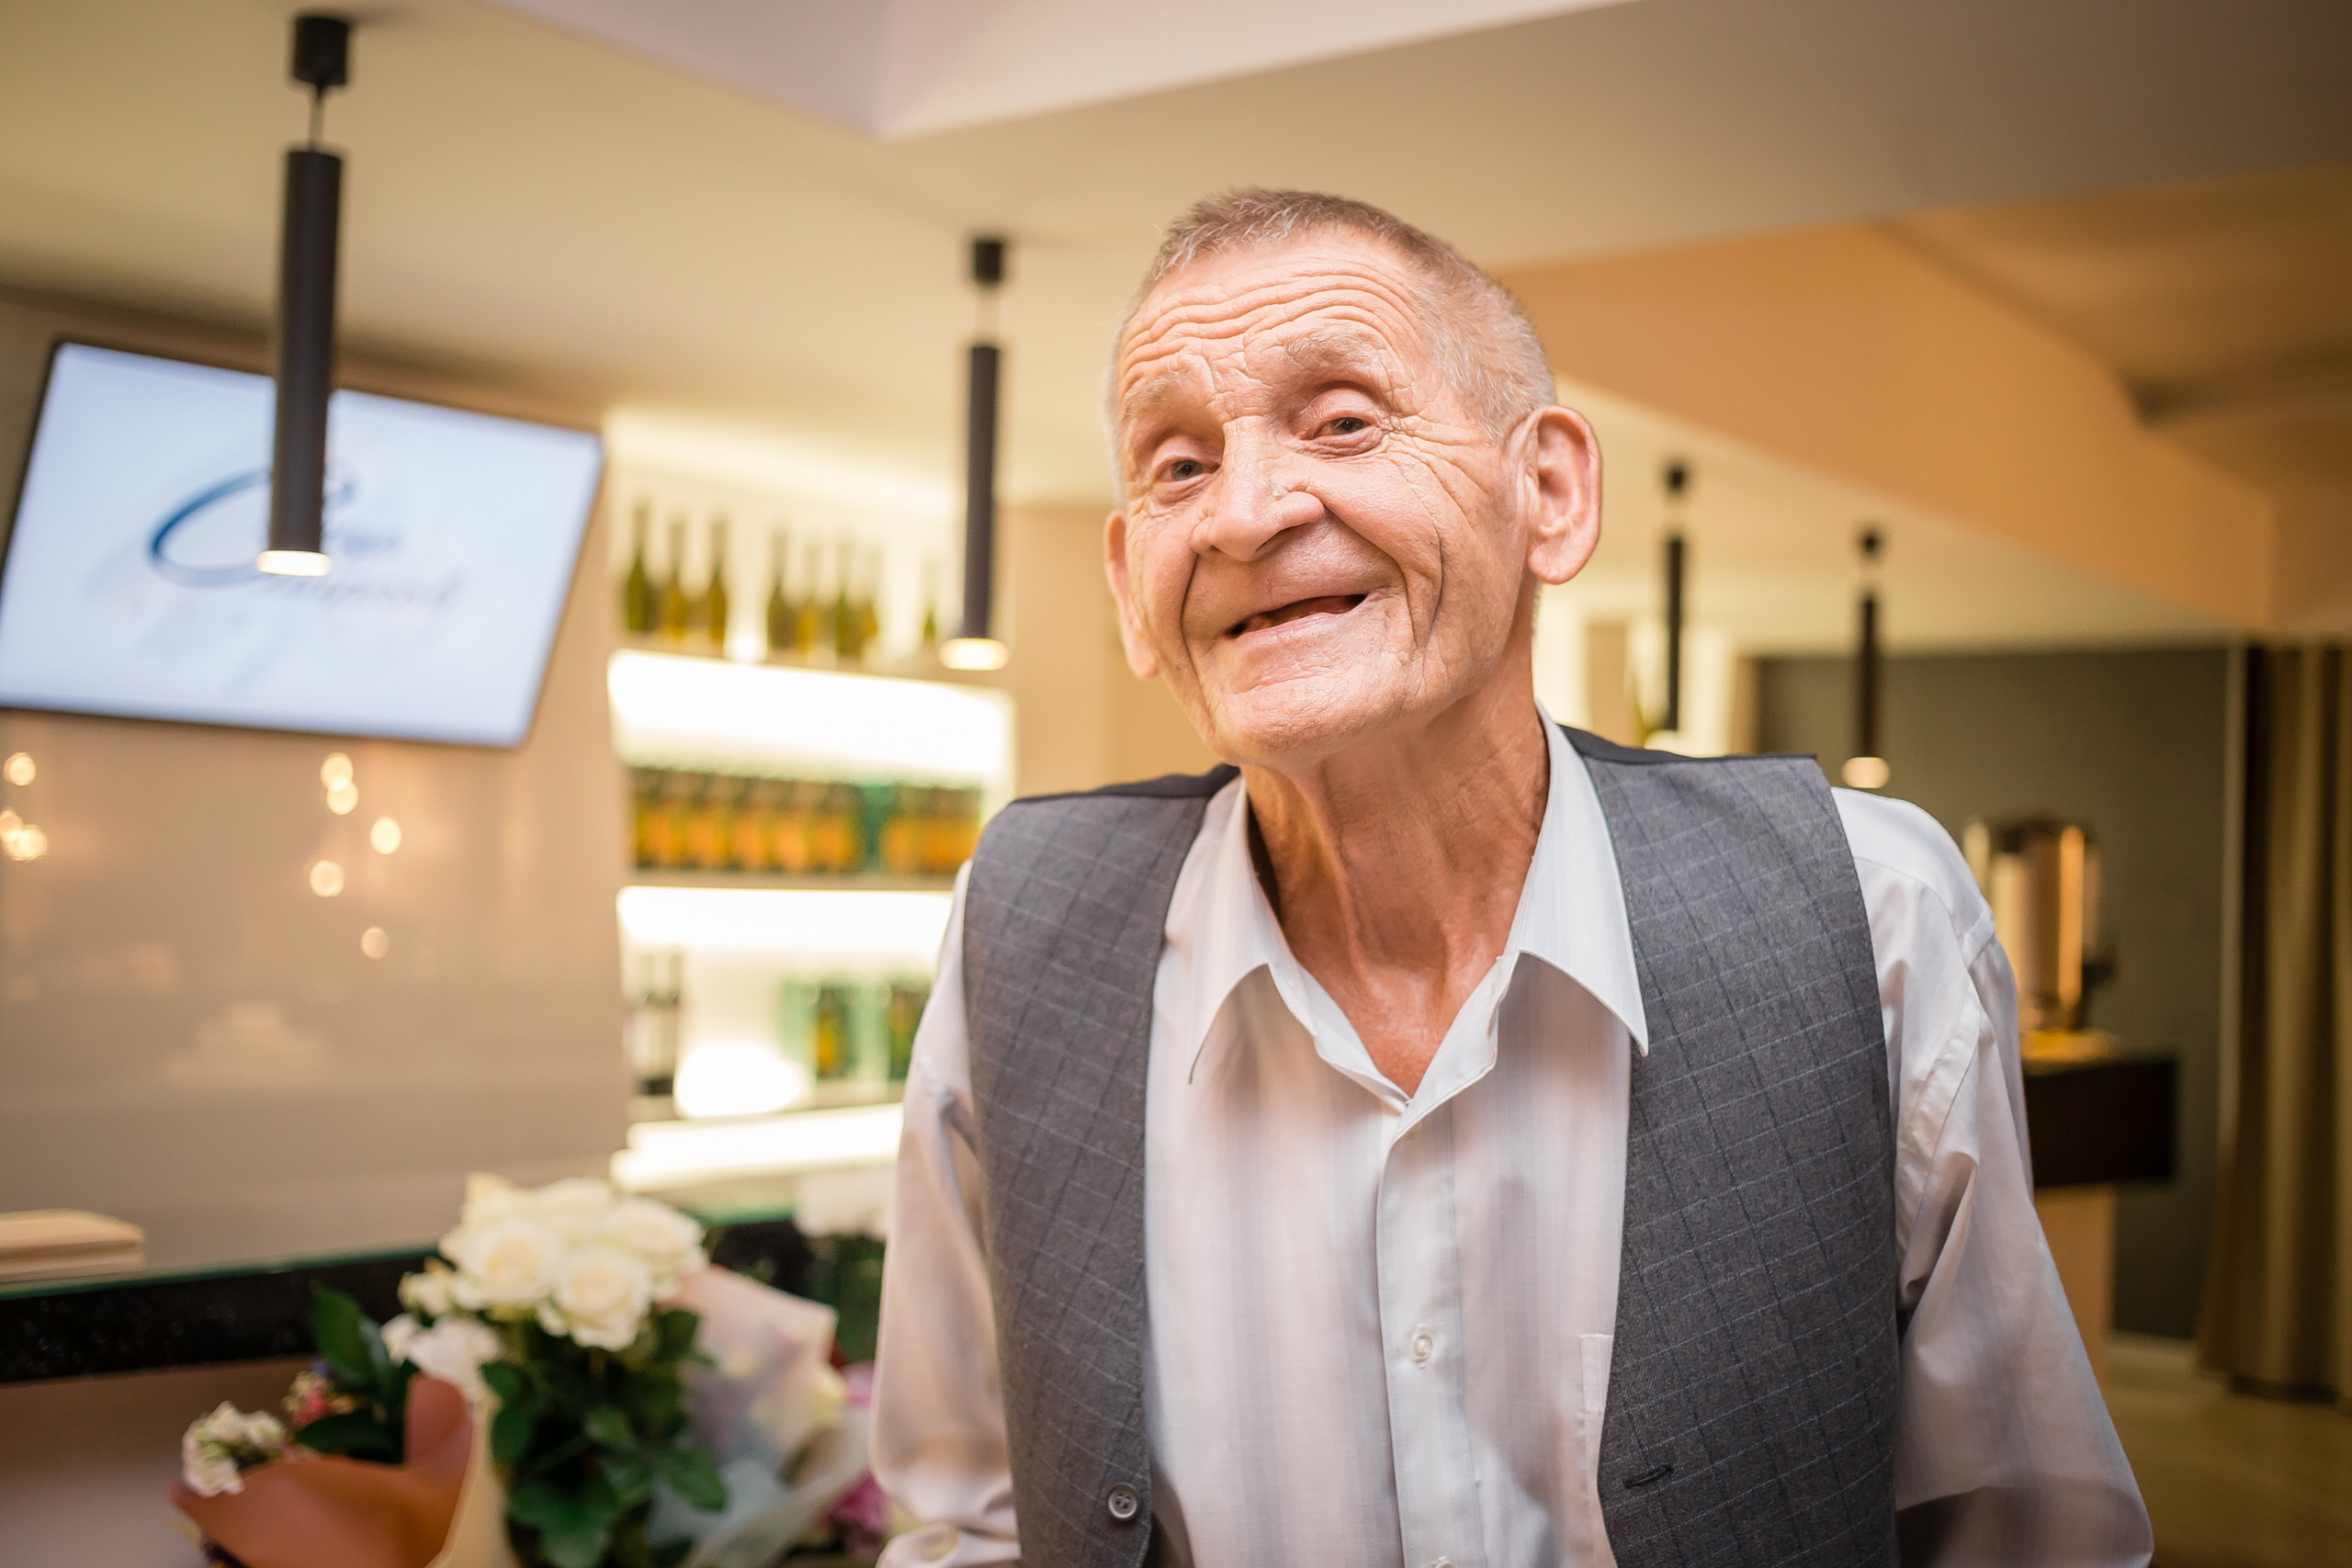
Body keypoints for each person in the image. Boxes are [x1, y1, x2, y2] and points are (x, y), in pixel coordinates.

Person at [868, 188, 2151, 1568]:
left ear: (1549, 493)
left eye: (1345, 420)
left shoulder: (1870, 913)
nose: (1242, 512)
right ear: (1132, 585)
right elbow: (965, 1522)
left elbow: (2025, 1538)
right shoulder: (1022, 930)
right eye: (1176, 466)